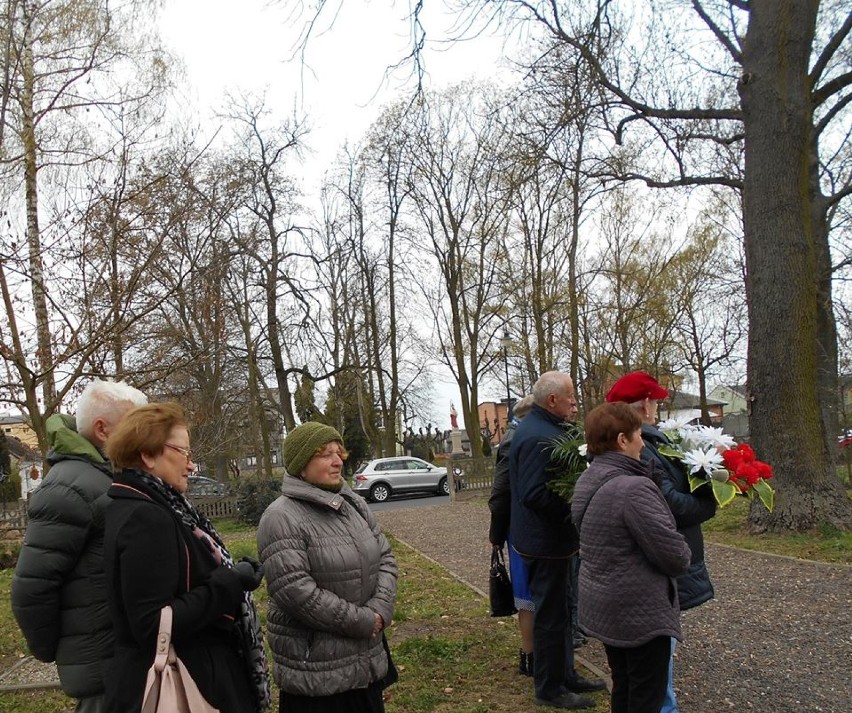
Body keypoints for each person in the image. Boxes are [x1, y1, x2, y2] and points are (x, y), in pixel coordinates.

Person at [102, 402, 269, 713]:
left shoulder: (149, 504)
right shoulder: (146, 517)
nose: (192, 466)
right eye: (184, 453)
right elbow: (153, 624)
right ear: (148, 454)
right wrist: (231, 582)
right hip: (188, 682)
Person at [12, 379, 147, 713]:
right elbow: (32, 588)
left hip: (121, 662)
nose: (143, 438)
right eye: (134, 427)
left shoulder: (102, 477)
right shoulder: (70, 488)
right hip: (102, 673)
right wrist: (57, 650)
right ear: (102, 429)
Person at [258, 422, 398, 713]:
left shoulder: (354, 504)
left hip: (365, 665)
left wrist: (380, 610)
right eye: (325, 454)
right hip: (316, 678)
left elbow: (385, 557)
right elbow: (296, 592)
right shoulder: (280, 517)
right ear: (301, 465)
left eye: (339, 452)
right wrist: (363, 621)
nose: (337, 461)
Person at [606, 371, 717, 712]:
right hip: (653, 577)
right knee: (654, 675)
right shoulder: (645, 448)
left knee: (639, 675)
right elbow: (667, 505)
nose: (656, 406)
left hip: (635, 578)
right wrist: (709, 502)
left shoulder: (642, 445)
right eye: (653, 400)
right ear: (645, 406)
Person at [572, 402, 691, 713]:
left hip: (608, 605)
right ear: (622, 440)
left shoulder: (588, 479)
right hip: (639, 612)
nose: (644, 442)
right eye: (639, 434)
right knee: (645, 696)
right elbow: (675, 556)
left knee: (624, 685)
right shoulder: (634, 489)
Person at [509, 371, 605, 709]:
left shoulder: (543, 428)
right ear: (553, 401)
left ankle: (566, 674)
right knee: (550, 617)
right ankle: (549, 687)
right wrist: (576, 506)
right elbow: (535, 494)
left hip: (552, 542)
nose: (576, 405)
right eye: (571, 399)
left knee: (562, 611)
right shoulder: (539, 437)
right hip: (544, 543)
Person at [488, 394, 535, 675]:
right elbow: (501, 492)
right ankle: (529, 655)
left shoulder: (516, 436)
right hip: (521, 530)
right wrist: (496, 535)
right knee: (527, 595)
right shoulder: (514, 440)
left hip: (523, 528)